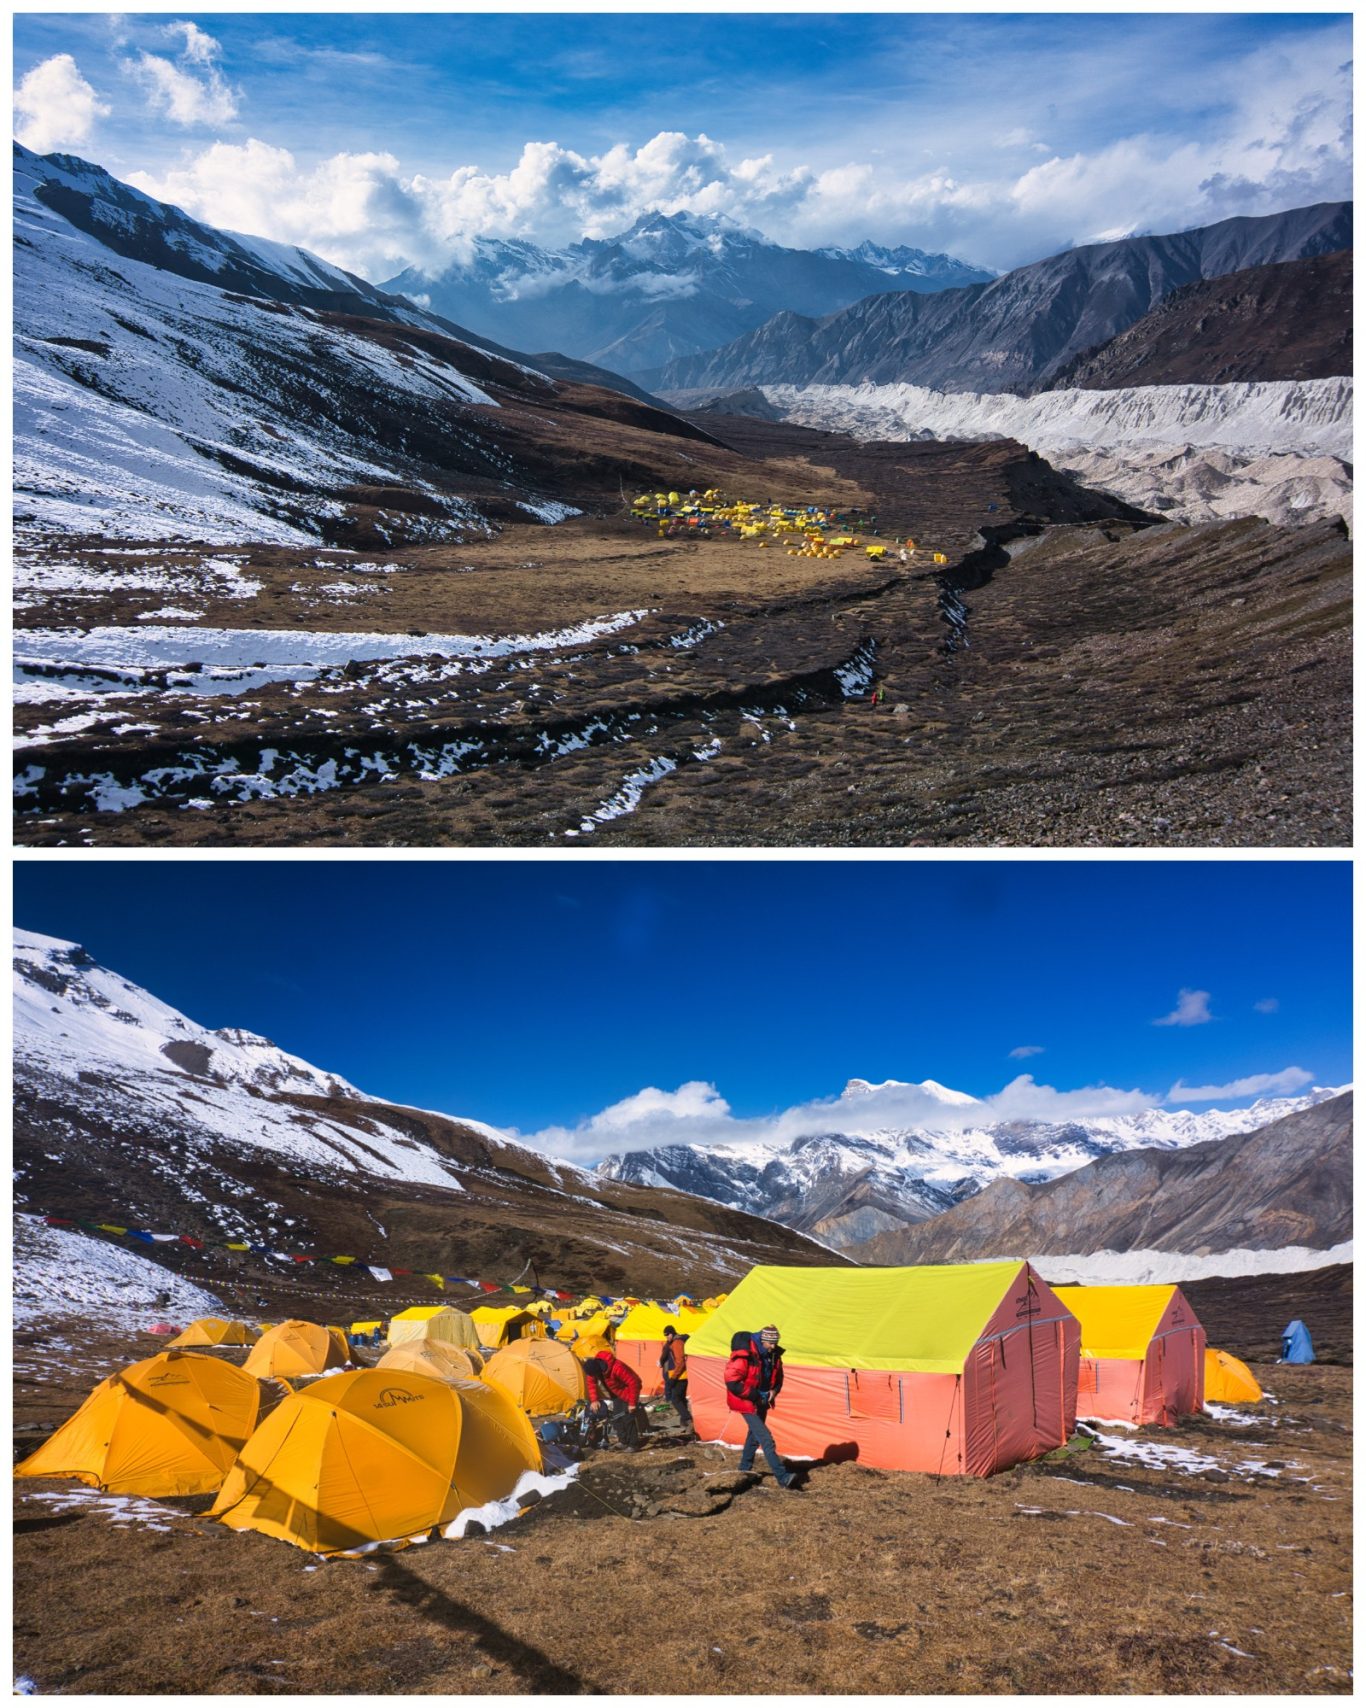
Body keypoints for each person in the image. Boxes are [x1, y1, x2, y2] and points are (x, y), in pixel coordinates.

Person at [724, 1325, 797, 1488]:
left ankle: (744, 1469)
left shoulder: (774, 1355)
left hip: (762, 1400)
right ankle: (783, 1477)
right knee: (766, 1438)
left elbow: (779, 1377)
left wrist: (774, 1391)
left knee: (754, 1436)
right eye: (771, 1343)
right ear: (763, 1340)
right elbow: (732, 1382)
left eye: (775, 1343)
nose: (773, 1346)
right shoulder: (744, 1356)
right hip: (745, 1401)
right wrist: (756, 1395)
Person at [581, 1348, 642, 1449]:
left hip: (628, 1392)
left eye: (594, 1375)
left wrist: (632, 1403)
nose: (593, 1377)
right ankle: (623, 1441)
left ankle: (633, 1444)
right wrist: (594, 1400)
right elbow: (591, 1383)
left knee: (627, 1418)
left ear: (598, 1370)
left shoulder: (617, 1368)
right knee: (616, 1418)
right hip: (616, 1393)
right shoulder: (593, 1368)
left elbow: (634, 1383)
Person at [658, 1325, 692, 1430]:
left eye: (667, 1335)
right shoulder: (673, 1343)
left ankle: (688, 1419)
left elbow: (680, 1362)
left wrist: (673, 1378)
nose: (666, 1337)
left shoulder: (677, 1343)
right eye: (665, 1335)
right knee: (681, 1399)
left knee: (675, 1399)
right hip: (678, 1376)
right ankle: (685, 1422)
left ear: (672, 1333)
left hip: (679, 1377)